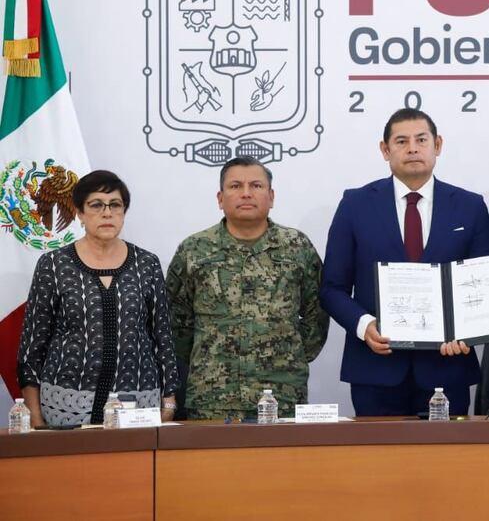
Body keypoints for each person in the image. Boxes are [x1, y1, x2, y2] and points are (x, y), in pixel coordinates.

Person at [321, 109, 489, 416]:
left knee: (448, 463)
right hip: (376, 369)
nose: (412, 148)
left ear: (437, 145)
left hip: (448, 367)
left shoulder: (470, 206)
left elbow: (485, 285)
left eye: (421, 139)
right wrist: (365, 326)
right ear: (385, 150)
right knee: (378, 462)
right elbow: (332, 288)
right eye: (401, 141)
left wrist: (467, 331)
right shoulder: (355, 204)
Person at [167, 157, 328, 420]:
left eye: (256, 185)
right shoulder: (194, 250)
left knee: (282, 462)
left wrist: (289, 356)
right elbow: (175, 321)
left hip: (282, 393)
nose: (246, 193)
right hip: (213, 397)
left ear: (271, 196)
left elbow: (317, 313)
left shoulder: (297, 247)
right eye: (235, 186)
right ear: (220, 198)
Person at [17, 170, 179, 427]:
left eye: (115, 205)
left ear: (124, 212)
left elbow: (163, 338)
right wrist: (34, 416)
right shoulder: (54, 264)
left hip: (138, 405)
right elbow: (32, 345)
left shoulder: (146, 264)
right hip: (65, 404)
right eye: (96, 205)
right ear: (80, 213)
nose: (107, 213)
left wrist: (169, 404)